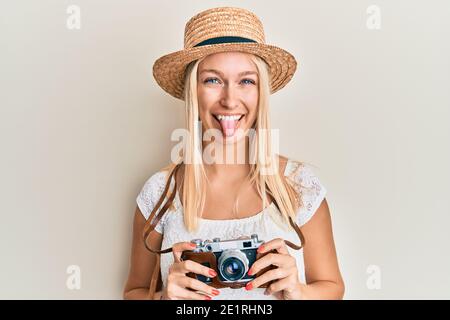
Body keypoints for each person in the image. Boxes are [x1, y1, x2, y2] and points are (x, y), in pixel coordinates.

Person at [123, 6, 344, 300]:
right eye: (212, 80)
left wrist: (299, 292)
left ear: (260, 91)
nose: (230, 99)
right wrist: (162, 299)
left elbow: (333, 288)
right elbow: (133, 292)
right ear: (193, 90)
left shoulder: (299, 186)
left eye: (246, 81)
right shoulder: (160, 194)